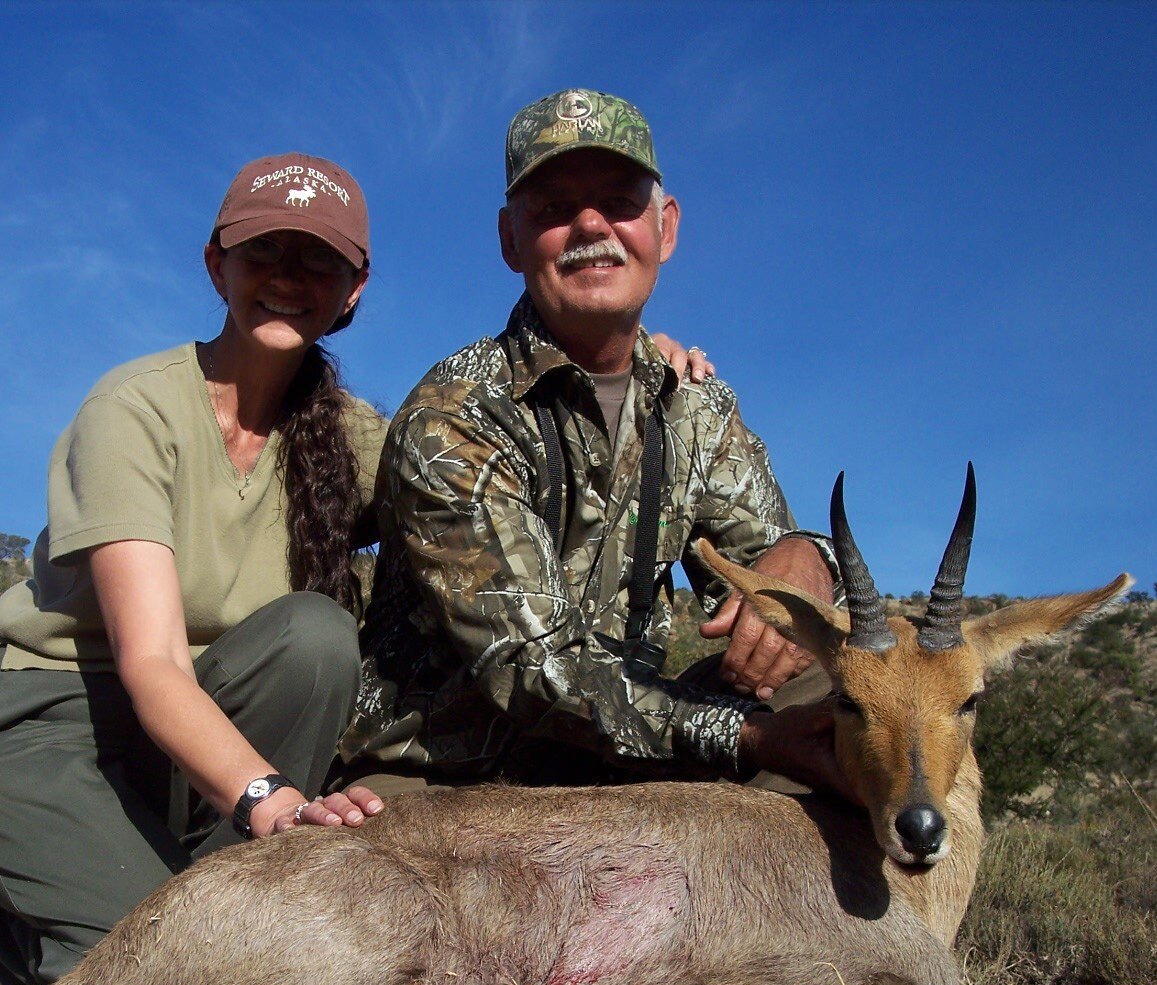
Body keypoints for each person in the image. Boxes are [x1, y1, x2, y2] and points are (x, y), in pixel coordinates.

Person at [0, 153, 393, 985]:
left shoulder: (356, 438)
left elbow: (481, 484)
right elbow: (154, 665)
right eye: (264, 252)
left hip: (184, 744)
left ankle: (125, 889)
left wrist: (620, 358)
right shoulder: (132, 407)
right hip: (44, 712)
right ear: (217, 265)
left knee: (318, 635)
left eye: (318, 258)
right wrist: (277, 807)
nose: (289, 277)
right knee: (150, 971)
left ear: (353, 287)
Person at [338, 89, 846, 795]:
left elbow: (763, 571)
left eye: (619, 201)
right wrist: (747, 737)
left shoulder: (699, 410)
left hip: (622, 755)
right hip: (447, 775)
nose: (589, 225)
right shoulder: (453, 417)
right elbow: (535, 671)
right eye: (552, 208)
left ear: (664, 229)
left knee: (829, 676)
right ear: (510, 240)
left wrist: (806, 560)